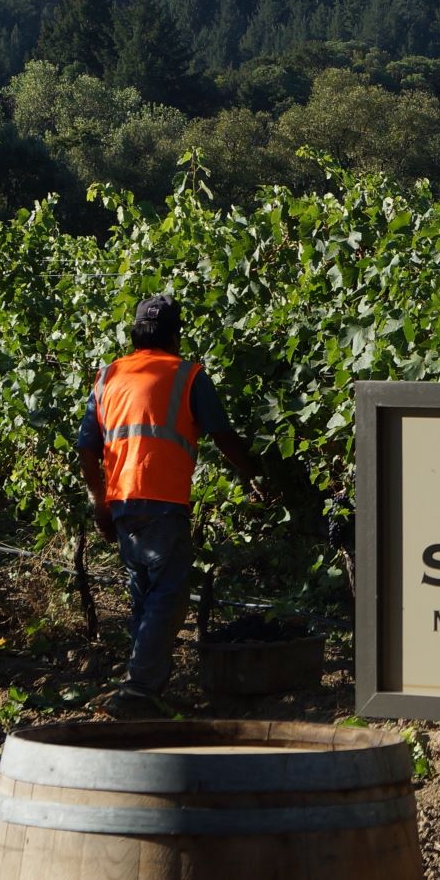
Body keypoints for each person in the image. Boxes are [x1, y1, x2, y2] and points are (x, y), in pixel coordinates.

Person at [77, 295, 265, 719]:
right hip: (163, 501)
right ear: (176, 334)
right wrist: (255, 472)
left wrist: (99, 502)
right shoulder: (188, 375)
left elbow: (87, 447)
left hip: (123, 501)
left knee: (144, 594)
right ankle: (139, 689)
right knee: (168, 593)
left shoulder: (108, 376)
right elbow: (222, 435)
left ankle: (144, 689)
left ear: (136, 333)